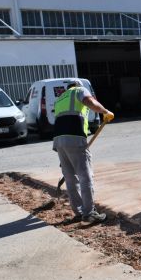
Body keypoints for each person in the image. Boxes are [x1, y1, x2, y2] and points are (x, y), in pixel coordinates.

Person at [53, 81, 114, 224]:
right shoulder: (79, 91)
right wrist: (105, 112)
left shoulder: (60, 98)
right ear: (78, 86)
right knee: (85, 176)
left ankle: (79, 212)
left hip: (59, 140)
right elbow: (91, 102)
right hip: (75, 138)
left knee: (70, 178)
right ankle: (89, 213)